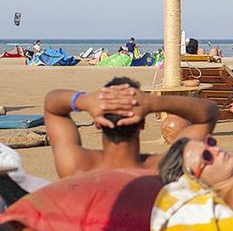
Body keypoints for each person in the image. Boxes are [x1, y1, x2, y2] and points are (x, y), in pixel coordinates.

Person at [43, 76, 218, 178]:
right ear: (142, 123)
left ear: (97, 123)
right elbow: (209, 113)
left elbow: (52, 105)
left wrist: (83, 100)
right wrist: (153, 102)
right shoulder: (163, 168)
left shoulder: (77, 166)